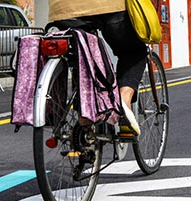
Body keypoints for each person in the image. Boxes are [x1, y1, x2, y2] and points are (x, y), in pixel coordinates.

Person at [48, 0, 146, 135]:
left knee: (82, 55)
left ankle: (85, 117)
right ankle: (124, 101)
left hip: (63, 9)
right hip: (110, 6)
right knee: (133, 51)